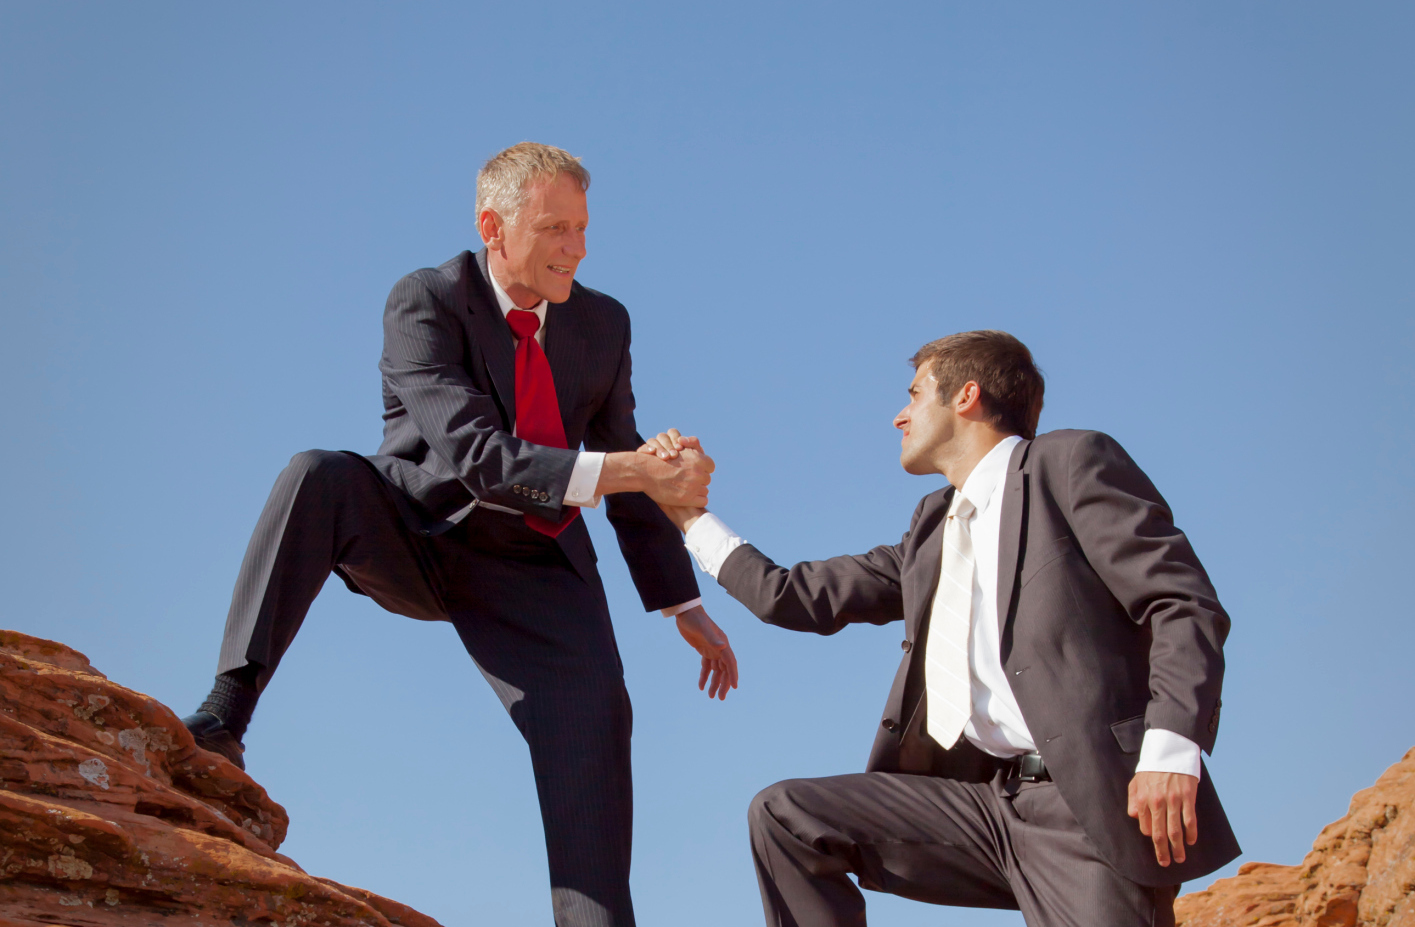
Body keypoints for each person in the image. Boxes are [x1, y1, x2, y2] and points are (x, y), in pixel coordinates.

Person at [181, 142, 738, 927]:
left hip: (538, 567)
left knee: (597, 724)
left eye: (582, 229)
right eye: (554, 229)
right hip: (418, 530)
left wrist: (679, 602)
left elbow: (626, 461)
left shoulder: (604, 324)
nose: (575, 249)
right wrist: (636, 470)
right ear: (493, 226)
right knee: (317, 474)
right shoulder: (426, 300)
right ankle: (225, 712)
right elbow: (480, 457)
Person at [643, 330, 1239, 927]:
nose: (900, 415)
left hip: (1086, 807)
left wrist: (1171, 749)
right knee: (788, 815)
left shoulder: (1069, 464)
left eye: (915, 393)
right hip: (981, 807)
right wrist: (688, 515)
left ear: (966, 396)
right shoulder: (932, 527)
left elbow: (1182, 603)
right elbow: (794, 597)